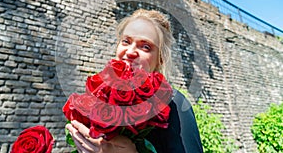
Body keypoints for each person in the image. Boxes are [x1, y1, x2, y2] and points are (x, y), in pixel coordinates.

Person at [66, 9, 203, 153]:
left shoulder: (174, 104)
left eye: (145, 47)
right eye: (126, 41)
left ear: (160, 60)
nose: (130, 52)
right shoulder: (98, 97)